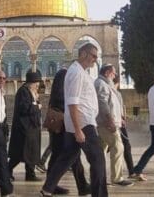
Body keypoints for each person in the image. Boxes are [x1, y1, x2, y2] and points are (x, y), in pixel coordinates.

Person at [40, 43, 108, 197]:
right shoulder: (76, 72)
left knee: (67, 157)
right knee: (98, 161)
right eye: (93, 56)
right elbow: (72, 102)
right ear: (83, 54)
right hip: (83, 123)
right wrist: (78, 129)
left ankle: (48, 189)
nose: (95, 60)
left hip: (77, 123)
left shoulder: (79, 71)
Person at [45, 68, 91, 195]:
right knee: (62, 156)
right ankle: (50, 186)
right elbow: (63, 102)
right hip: (62, 126)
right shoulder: (63, 83)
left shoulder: (63, 83)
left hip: (65, 125)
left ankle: (81, 186)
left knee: (73, 157)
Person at [94, 64, 133, 187]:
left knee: (101, 151)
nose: (115, 75)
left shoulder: (106, 84)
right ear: (107, 73)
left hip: (108, 122)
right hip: (107, 124)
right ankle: (117, 178)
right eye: (113, 73)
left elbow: (112, 103)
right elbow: (103, 103)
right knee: (118, 147)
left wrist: (119, 118)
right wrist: (110, 120)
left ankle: (99, 178)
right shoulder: (101, 84)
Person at [8, 71, 43, 181]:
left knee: (31, 152)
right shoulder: (23, 92)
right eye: (36, 83)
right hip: (24, 128)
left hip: (32, 127)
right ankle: (7, 171)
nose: (37, 85)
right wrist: (37, 107)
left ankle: (30, 174)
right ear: (31, 83)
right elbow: (24, 108)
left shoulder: (31, 92)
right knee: (20, 153)